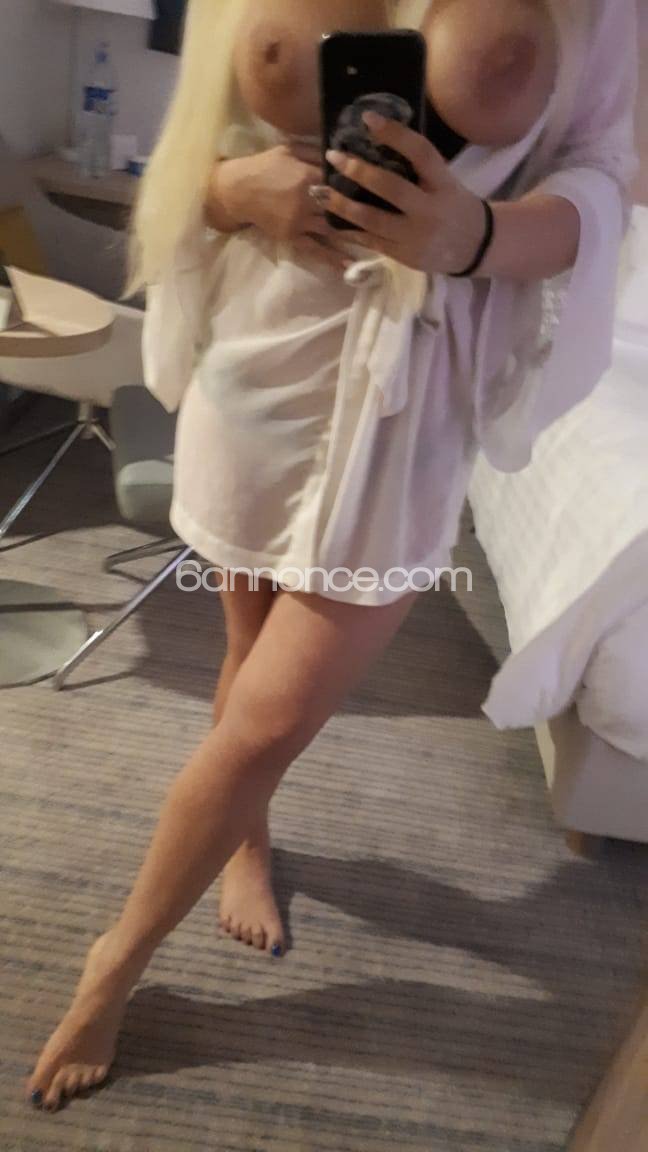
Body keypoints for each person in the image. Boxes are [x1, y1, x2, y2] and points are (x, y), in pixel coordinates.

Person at [27, 0, 637, 1111]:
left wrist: (476, 237)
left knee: (271, 716)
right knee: (246, 652)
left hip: (410, 402)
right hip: (257, 366)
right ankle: (246, 841)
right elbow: (200, 137)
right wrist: (231, 190)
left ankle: (115, 960)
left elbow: (603, 174)